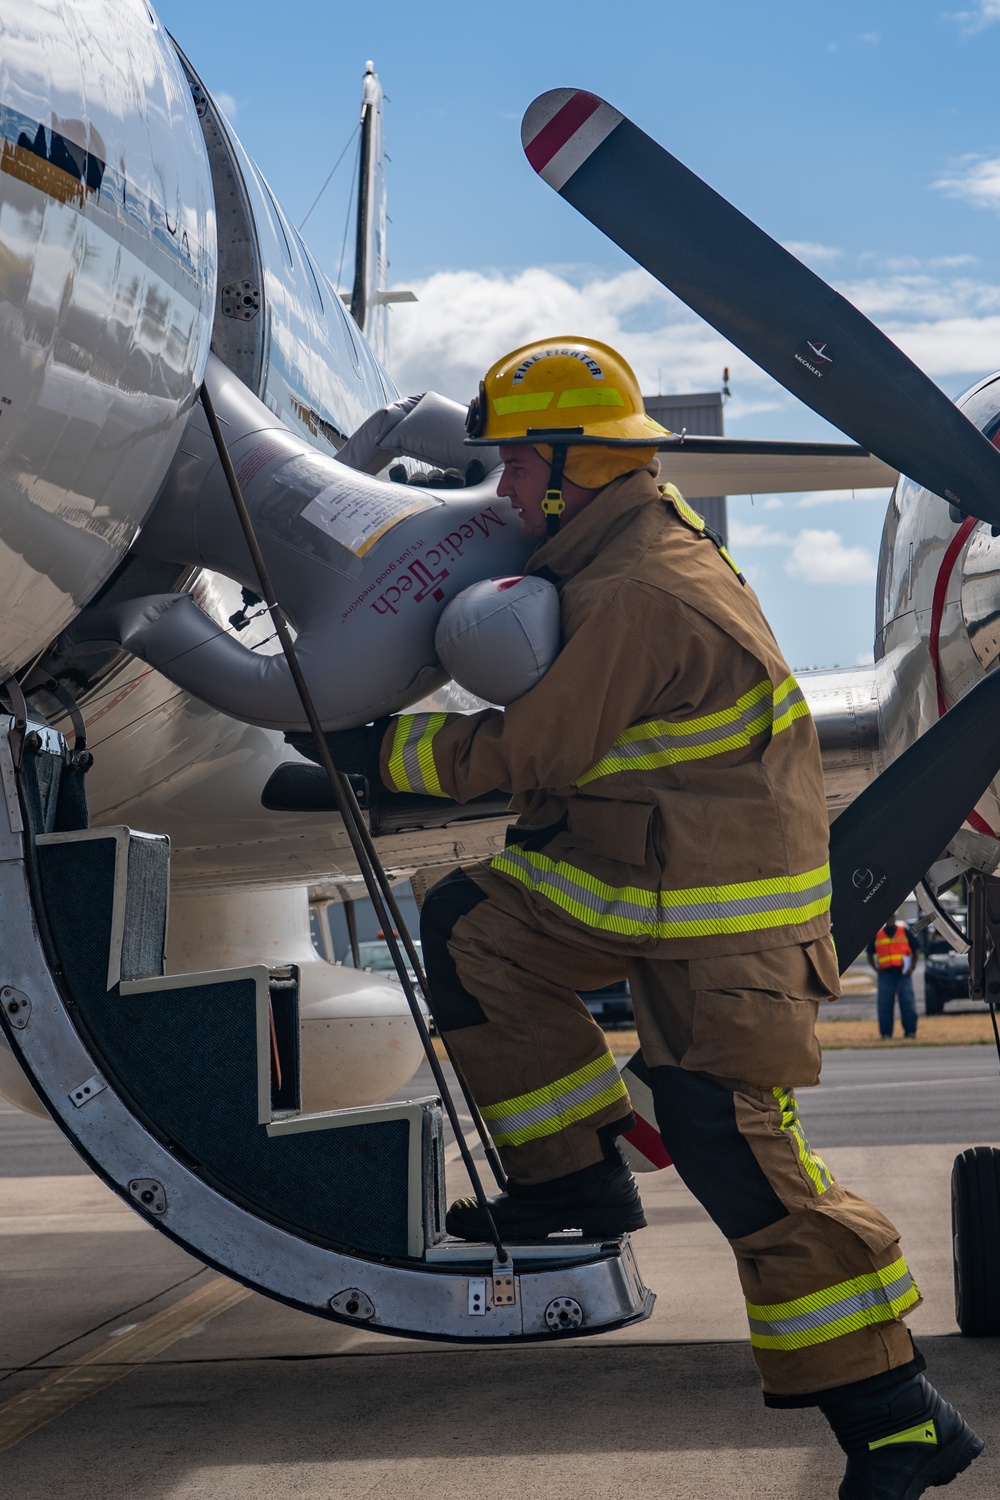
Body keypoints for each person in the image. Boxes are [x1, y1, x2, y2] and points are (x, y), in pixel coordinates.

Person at [314, 339, 982, 1497]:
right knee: (473, 927)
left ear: (577, 466)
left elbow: (535, 749)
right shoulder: (615, 545)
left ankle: (898, 1420)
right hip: (644, 880)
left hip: (723, 924)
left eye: (519, 468)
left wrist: (377, 750)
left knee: (738, 1156)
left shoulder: (636, 586)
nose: (506, 491)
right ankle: (573, 1182)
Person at [867, 916, 919, 1040]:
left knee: (908, 1003)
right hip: (885, 974)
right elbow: (869, 953)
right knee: (884, 1005)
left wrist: (912, 967)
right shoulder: (878, 934)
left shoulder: (904, 931)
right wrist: (876, 968)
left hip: (903, 974)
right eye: (888, 917)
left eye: (892, 917)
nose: (890, 919)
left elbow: (916, 949)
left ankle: (910, 1032)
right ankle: (886, 1034)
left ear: (895, 918)